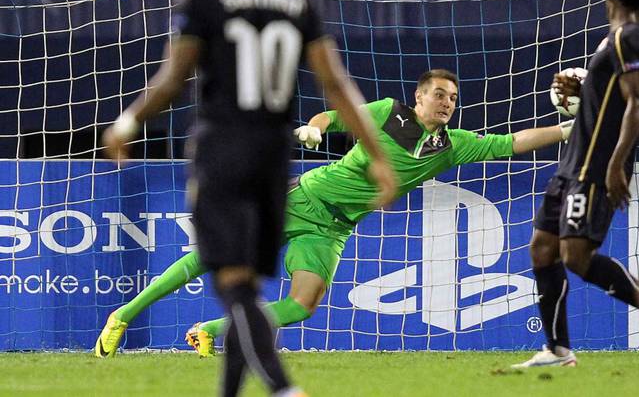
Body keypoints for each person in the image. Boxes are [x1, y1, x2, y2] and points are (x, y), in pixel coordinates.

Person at [98, 0, 396, 397]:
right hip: (275, 156)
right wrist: (379, 155)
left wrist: (128, 122)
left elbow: (175, 77)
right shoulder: (297, 1)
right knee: (249, 288)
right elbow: (336, 84)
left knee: (231, 282)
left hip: (221, 147)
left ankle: (283, 388)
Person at [96, 68, 575, 358]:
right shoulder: (387, 112)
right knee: (212, 257)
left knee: (303, 306)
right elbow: (333, 115)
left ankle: (207, 332)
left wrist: (569, 127)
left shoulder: (453, 146)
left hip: (333, 228)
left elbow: (514, 141)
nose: (447, 103)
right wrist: (312, 127)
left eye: (452, 97)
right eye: (438, 95)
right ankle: (123, 315)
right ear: (419, 97)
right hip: (302, 198)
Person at [513, 0, 639, 368]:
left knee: (575, 256)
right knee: (542, 249)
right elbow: (608, 99)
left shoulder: (629, 37)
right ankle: (558, 349)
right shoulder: (610, 42)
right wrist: (582, 86)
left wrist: (615, 166)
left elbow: (638, 104)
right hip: (571, 166)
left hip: (594, 169)